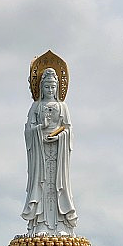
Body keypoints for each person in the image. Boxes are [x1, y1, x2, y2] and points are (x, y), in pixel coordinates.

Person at [21, 67, 78, 235]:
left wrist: (60, 136)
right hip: (40, 152)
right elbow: (27, 131)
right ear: (40, 88)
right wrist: (41, 128)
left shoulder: (63, 106)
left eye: (53, 87)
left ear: (58, 88)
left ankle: (61, 225)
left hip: (58, 151)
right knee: (42, 184)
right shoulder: (36, 106)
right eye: (46, 87)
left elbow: (68, 130)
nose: (50, 90)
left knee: (58, 185)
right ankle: (40, 225)